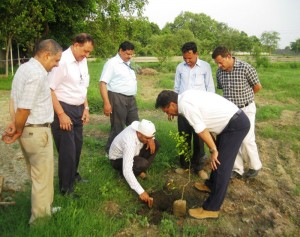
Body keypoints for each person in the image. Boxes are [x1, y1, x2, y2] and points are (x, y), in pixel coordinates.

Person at [155, 90, 250, 219]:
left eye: (166, 111)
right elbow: (205, 125)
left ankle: (212, 208)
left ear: (172, 104)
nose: (168, 114)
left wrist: (214, 150)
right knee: (219, 159)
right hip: (229, 123)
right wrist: (214, 145)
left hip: (235, 126)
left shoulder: (185, 106)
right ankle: (211, 185)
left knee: (222, 166)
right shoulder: (184, 97)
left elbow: (201, 129)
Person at [2, 39, 62, 224]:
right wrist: (18, 128)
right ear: (46, 55)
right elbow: (24, 108)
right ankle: (40, 221)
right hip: (36, 131)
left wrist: (16, 125)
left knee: (38, 175)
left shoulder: (24, 68)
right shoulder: (37, 74)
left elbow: (14, 100)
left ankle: (44, 208)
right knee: (42, 177)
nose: (56, 65)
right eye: (56, 60)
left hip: (29, 131)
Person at [47, 33, 94, 198]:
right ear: (75, 45)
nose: (86, 55)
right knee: (67, 151)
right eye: (85, 51)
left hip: (78, 108)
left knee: (77, 147)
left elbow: (83, 86)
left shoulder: (83, 61)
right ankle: (66, 189)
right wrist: (61, 114)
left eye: (89, 52)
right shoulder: (62, 62)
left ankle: (74, 176)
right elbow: (50, 89)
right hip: (63, 109)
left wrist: (86, 108)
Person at [212, 46, 262, 179]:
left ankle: (254, 166)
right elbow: (222, 89)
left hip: (246, 108)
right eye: (217, 63)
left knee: (247, 139)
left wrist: (246, 98)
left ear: (228, 56)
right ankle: (237, 168)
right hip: (229, 111)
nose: (219, 65)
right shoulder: (219, 72)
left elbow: (257, 86)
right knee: (232, 139)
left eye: (220, 62)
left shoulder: (245, 68)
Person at [174, 41, 215, 174]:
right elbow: (176, 87)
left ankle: (199, 167)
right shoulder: (180, 68)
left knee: (199, 138)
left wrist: (209, 109)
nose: (187, 60)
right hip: (183, 108)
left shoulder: (205, 67)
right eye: (184, 58)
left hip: (199, 109)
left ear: (196, 54)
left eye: (190, 58)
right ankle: (185, 165)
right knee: (183, 136)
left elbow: (210, 88)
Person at [99, 41, 139, 154]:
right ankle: (110, 152)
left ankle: (131, 150)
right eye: (127, 54)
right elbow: (102, 83)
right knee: (118, 127)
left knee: (135, 124)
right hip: (117, 98)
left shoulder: (128, 63)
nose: (129, 56)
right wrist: (106, 103)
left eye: (131, 54)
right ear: (120, 51)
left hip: (131, 98)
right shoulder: (112, 63)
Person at [109, 119, 159, 207]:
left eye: (150, 137)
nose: (149, 140)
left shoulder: (141, 129)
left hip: (134, 153)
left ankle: (138, 171)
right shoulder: (129, 142)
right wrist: (141, 191)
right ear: (139, 133)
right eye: (147, 138)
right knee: (142, 164)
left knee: (156, 144)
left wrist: (151, 139)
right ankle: (126, 174)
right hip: (118, 160)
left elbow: (150, 137)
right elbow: (127, 170)